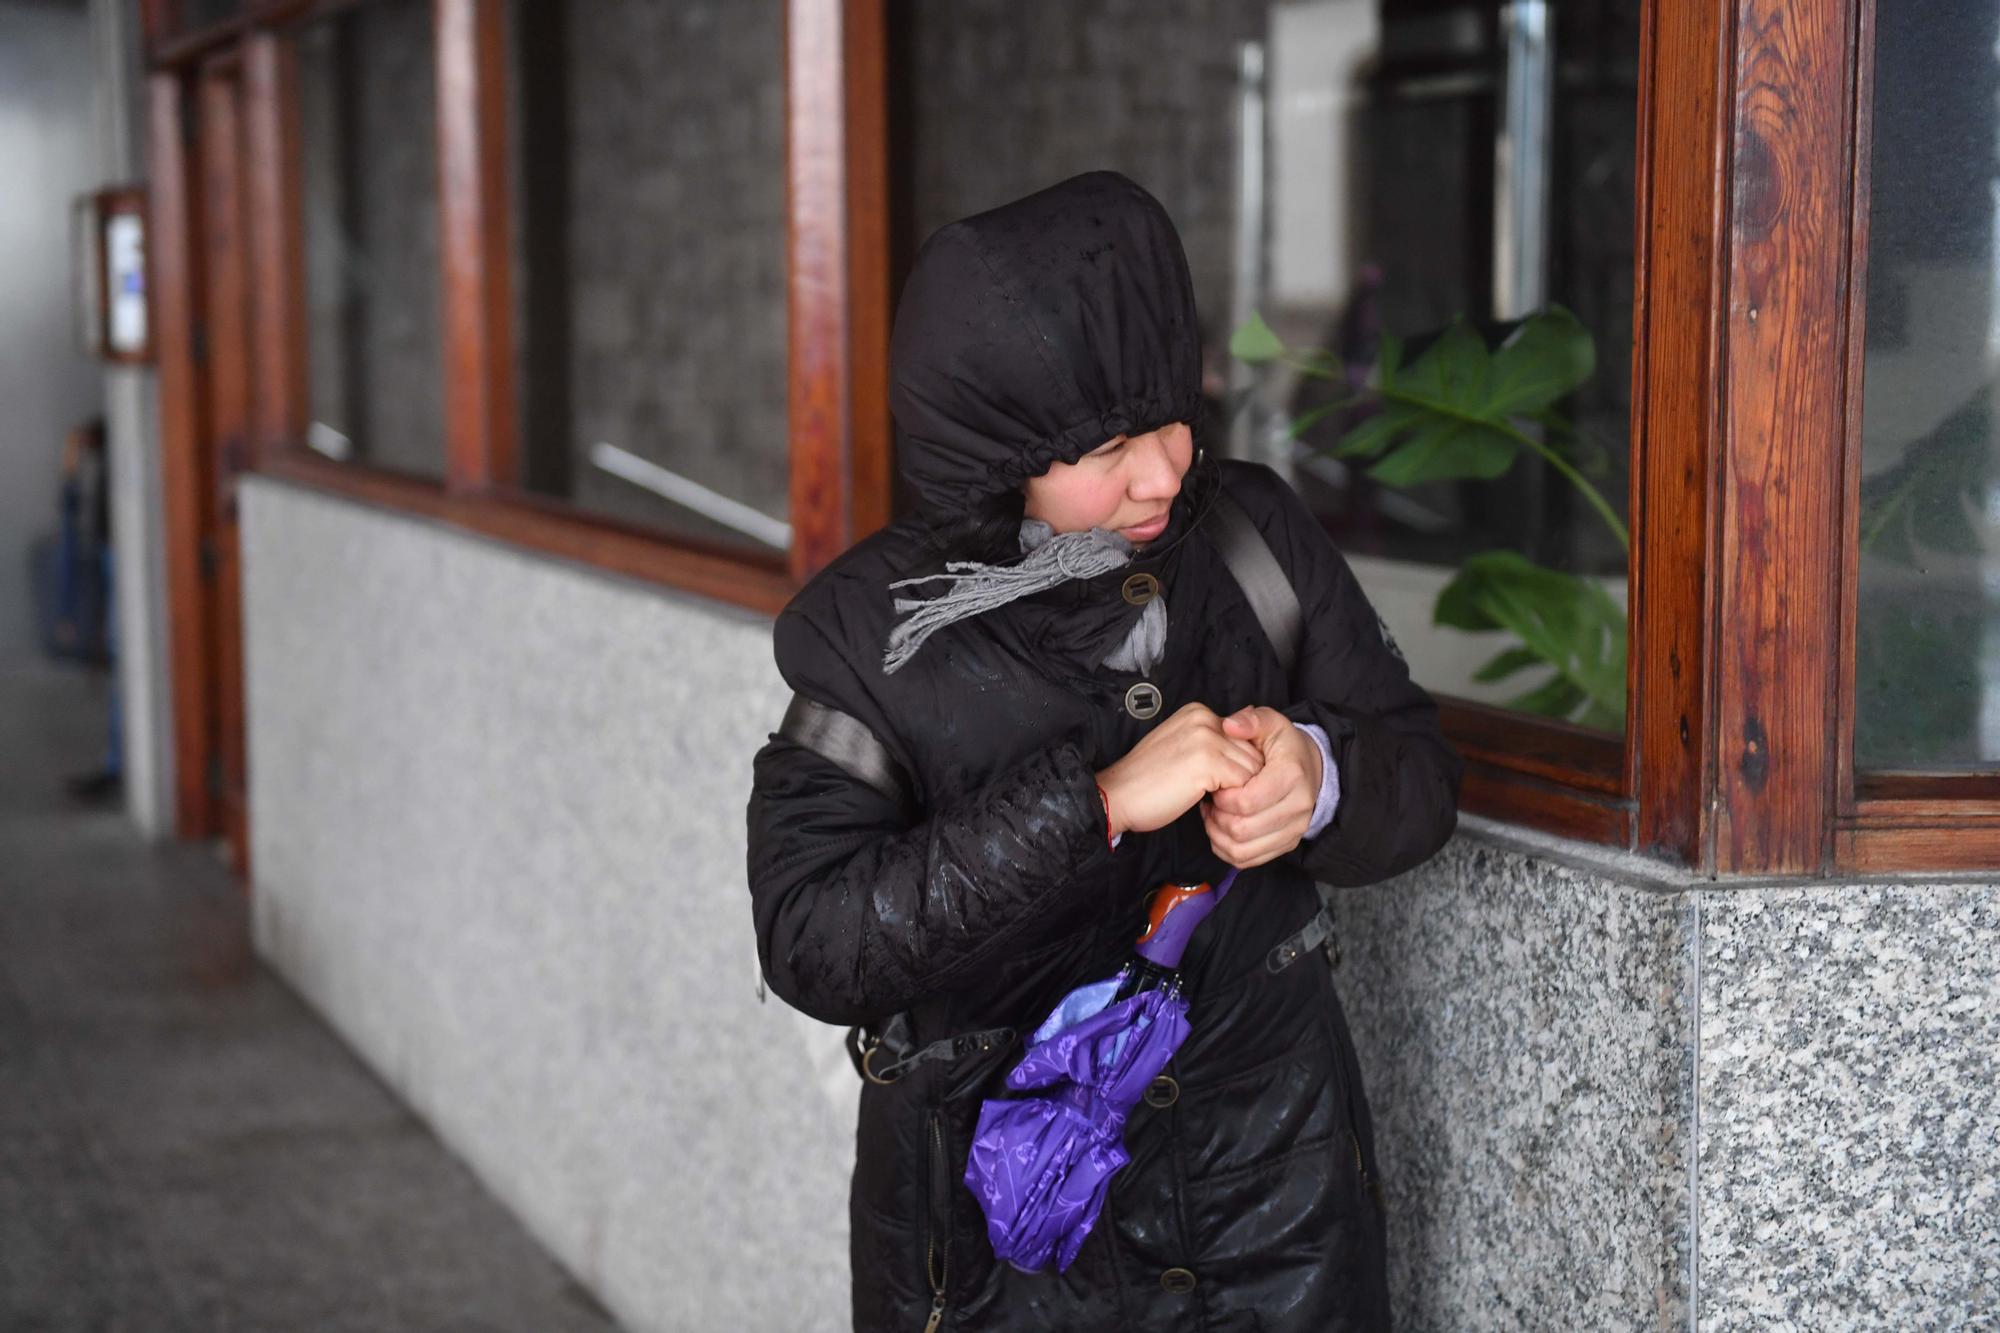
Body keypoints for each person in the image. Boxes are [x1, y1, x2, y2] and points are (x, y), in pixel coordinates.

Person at [746, 171, 1460, 1332]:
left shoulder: (1251, 540)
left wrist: (1319, 780)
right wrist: (1097, 804)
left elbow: (1419, 775)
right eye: (1107, 445)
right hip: (1000, 1239)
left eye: (1170, 416)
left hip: (1270, 1200)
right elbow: (812, 941)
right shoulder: (871, 633)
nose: (1164, 471)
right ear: (996, 455)